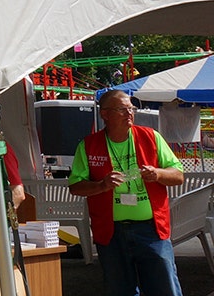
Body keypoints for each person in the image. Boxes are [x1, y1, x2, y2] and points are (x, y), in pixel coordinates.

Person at [69, 89, 185, 296]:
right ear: (105, 114)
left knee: (165, 288)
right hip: (111, 233)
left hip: (151, 231)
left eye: (131, 108)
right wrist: (101, 186)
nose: (129, 113)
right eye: (122, 109)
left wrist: (157, 174)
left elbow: (178, 175)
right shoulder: (89, 145)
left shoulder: (151, 137)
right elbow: (75, 186)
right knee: (119, 289)